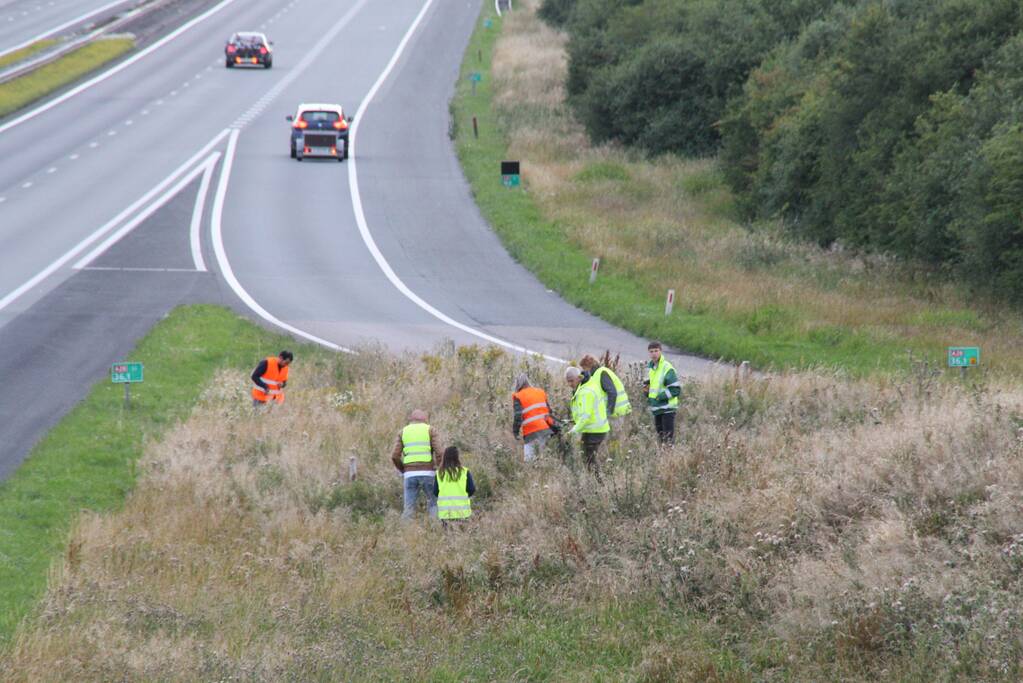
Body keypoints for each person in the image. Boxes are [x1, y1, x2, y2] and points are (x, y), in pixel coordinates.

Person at [391, 409, 441, 520]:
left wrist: (403, 470)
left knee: (408, 507)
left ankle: (406, 529)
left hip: (409, 475)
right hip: (429, 473)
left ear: (411, 419)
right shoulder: (430, 430)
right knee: (434, 504)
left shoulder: (403, 431)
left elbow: (395, 456)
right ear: (424, 419)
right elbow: (439, 452)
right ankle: (435, 528)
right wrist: (438, 468)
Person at [565, 366, 610, 472]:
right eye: (568, 381)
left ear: (578, 377)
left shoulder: (585, 392)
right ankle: (597, 479)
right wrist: (574, 421)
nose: (570, 384)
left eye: (571, 381)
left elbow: (585, 416)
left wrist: (573, 431)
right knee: (588, 458)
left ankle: (598, 480)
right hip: (595, 428)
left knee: (589, 459)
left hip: (594, 429)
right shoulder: (587, 384)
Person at [512, 373, 558, 462]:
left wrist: (515, 432)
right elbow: (549, 411)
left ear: (517, 384)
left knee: (529, 461)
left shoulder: (518, 396)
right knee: (542, 458)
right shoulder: (540, 392)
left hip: (531, 432)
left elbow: (518, 416)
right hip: (546, 430)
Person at [644, 341, 680, 444]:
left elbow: (675, 389)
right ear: (648, 353)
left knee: (668, 439)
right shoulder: (650, 368)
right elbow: (649, 385)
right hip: (657, 408)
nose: (654, 354)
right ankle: (664, 454)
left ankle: (670, 454)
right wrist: (646, 391)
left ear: (660, 351)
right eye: (651, 351)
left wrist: (660, 397)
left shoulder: (667, 367)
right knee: (660, 438)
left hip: (668, 408)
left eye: (656, 351)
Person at [579, 355, 631, 420]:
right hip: (616, 412)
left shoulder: (602, 373)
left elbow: (612, 392)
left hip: (617, 412)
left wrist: (608, 412)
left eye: (584, 368)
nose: (584, 370)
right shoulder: (596, 375)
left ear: (589, 366)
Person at [433, 446, 475, 524]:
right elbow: (471, 489)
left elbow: (435, 492)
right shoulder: (465, 471)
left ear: (444, 457)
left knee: (447, 532)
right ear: (457, 457)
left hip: (445, 514)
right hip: (462, 512)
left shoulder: (439, 473)